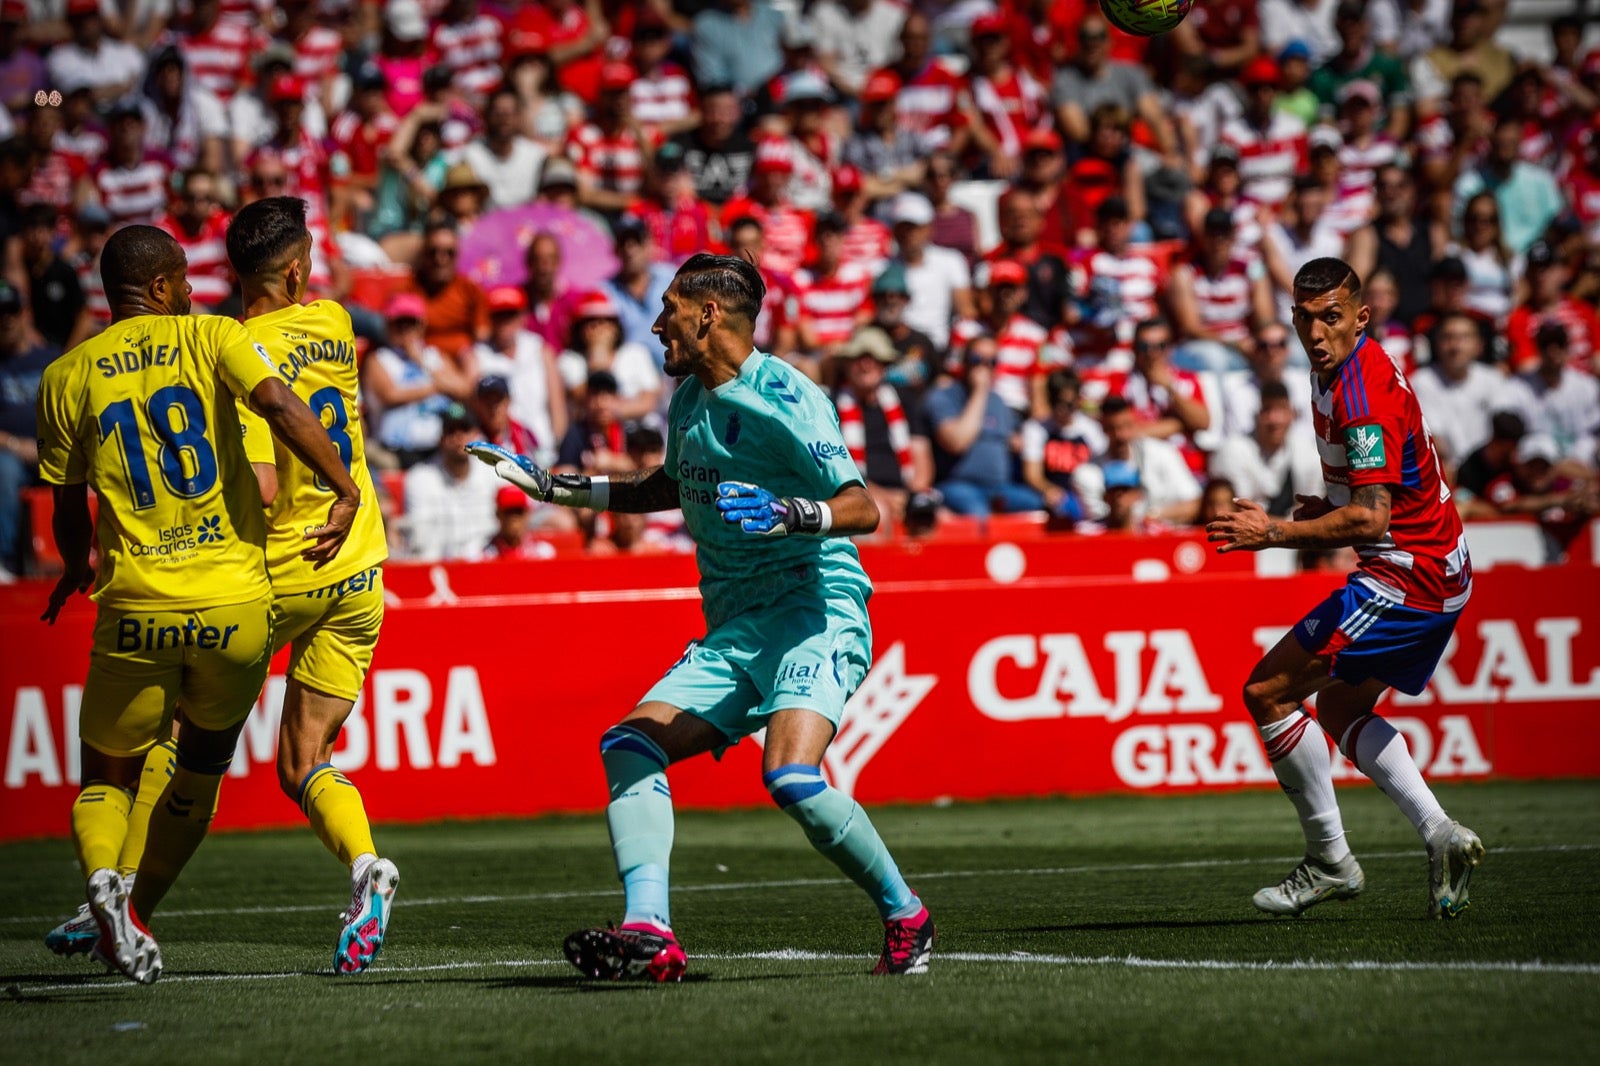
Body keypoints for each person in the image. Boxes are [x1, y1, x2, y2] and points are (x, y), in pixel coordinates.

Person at [467, 252, 934, 981]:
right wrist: (555, 487)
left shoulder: (787, 394)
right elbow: (668, 487)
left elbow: (863, 507)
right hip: (736, 625)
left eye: (669, 309)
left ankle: (907, 916)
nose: (657, 326)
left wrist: (790, 513)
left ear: (708, 314)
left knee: (790, 778)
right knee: (629, 745)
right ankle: (651, 930)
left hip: (813, 611)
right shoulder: (688, 399)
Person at [34, 224, 359, 983]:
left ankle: (104, 885)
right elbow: (279, 405)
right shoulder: (214, 337)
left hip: (137, 607)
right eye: (182, 278)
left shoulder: (65, 375)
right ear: (158, 287)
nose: (191, 289)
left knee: (106, 780)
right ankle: (137, 903)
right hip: (234, 607)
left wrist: (75, 567)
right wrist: (343, 488)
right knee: (200, 765)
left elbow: (69, 507)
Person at [1205, 257, 1483, 920]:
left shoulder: (1360, 394)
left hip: (1407, 576)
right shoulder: (1341, 369)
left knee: (1267, 692)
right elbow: (1371, 495)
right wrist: (1322, 508)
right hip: (1435, 568)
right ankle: (1442, 835)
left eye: (1330, 317)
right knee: (1337, 707)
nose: (1315, 332)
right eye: (1304, 319)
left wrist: (1274, 532)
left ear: (1362, 317)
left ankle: (1330, 861)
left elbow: (1370, 518)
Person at [226, 197, 400, 973]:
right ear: (297, 273)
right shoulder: (333, 320)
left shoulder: (233, 350)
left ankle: (116, 890)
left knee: (177, 733)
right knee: (304, 759)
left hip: (276, 576)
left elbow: (263, 485)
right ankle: (366, 867)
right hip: (357, 566)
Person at [924, 336, 1043, 517]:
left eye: (992, 362)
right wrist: (979, 391)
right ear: (964, 361)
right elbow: (956, 442)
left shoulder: (999, 402)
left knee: (1037, 504)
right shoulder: (944, 396)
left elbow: (1016, 440)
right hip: (957, 485)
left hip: (1000, 488)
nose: (984, 367)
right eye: (977, 360)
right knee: (978, 513)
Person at [832, 326, 930, 524]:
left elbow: (922, 459)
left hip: (904, 494)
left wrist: (910, 498)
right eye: (858, 358)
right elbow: (835, 470)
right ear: (847, 364)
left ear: (885, 365)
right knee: (878, 513)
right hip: (858, 495)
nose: (866, 365)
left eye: (874, 359)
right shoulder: (831, 406)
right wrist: (882, 496)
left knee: (935, 515)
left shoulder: (905, 401)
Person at [0, 280, 55, 581]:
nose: (6, 319)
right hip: (12, 455)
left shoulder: (52, 359)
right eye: (0, 313)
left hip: (59, 452)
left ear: (25, 313)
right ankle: (5, 564)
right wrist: (14, 445)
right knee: (4, 469)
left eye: (11, 310)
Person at [1208, 381, 1323, 516]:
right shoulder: (1232, 451)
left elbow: (1314, 509)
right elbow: (1235, 511)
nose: (1274, 419)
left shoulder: (1309, 453)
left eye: (1281, 409)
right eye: (1267, 410)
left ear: (1292, 414)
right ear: (1257, 415)